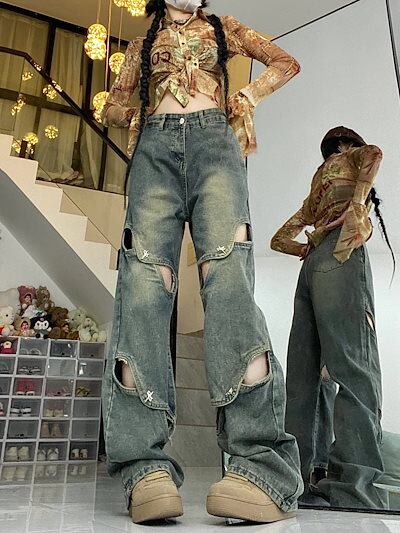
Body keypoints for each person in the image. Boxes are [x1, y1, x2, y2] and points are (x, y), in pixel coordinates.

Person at [101, 0, 302, 524]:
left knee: (228, 279)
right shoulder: (141, 43)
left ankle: (260, 467)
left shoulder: (223, 28)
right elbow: (111, 107)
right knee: (144, 287)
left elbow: (284, 62)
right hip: (153, 151)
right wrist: (137, 111)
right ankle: (143, 466)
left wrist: (247, 95)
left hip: (215, 143)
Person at [271, 126, 393, 509]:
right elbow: (374, 154)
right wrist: (357, 205)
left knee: (303, 379)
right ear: (348, 145)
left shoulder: (317, 183)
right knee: (356, 369)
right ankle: (354, 488)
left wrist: (307, 246)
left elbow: (279, 239)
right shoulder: (352, 157)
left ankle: (298, 482)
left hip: (311, 267)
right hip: (341, 256)